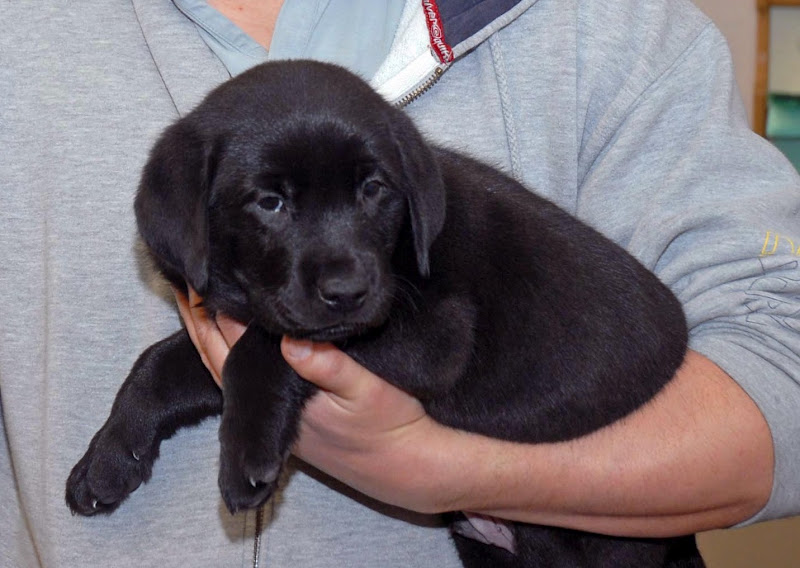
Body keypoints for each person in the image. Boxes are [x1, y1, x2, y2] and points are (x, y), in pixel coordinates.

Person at [1, 0, 798, 566]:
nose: (342, 264)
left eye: (373, 194)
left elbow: (784, 368)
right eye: (273, 201)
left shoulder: (610, 28)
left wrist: (455, 471)